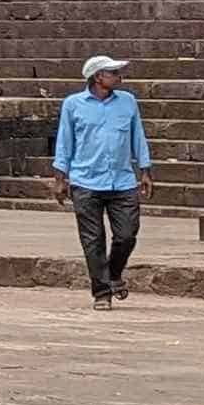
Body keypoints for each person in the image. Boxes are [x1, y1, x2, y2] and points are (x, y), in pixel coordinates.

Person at [49, 53, 152, 305]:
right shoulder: (74, 104)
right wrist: (60, 178)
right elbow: (65, 142)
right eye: (113, 73)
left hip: (122, 179)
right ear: (98, 77)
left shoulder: (127, 101)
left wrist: (146, 169)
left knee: (127, 234)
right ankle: (102, 292)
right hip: (86, 180)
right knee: (92, 240)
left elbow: (137, 135)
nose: (119, 77)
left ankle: (114, 273)